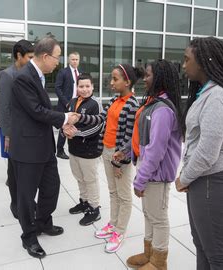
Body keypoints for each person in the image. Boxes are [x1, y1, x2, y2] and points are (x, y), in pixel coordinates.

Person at [175, 37, 223, 270]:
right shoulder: (207, 93)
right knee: (203, 246)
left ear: (205, 62)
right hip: (205, 182)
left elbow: (208, 152)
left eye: (187, 60)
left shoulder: (218, 96)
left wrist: (183, 178)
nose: (184, 65)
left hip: (213, 183)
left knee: (217, 254)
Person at [9, 37, 78, 259]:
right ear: (46, 56)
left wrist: (62, 124)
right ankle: (28, 237)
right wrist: (66, 117)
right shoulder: (23, 78)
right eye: (57, 57)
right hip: (28, 149)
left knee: (52, 188)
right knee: (27, 197)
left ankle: (43, 222)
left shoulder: (37, 76)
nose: (58, 63)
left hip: (44, 146)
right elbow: (36, 111)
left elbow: (41, 112)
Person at [114, 59, 183, 269]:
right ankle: (149, 253)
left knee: (158, 217)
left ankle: (159, 261)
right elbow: (140, 135)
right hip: (148, 168)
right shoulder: (152, 103)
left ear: (160, 78)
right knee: (149, 214)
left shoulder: (162, 109)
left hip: (156, 173)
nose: (145, 79)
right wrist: (126, 149)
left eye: (149, 75)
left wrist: (140, 179)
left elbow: (156, 150)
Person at [73, 63, 143, 253]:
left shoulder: (132, 104)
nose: (111, 83)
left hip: (119, 156)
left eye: (115, 79)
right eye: (111, 78)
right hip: (106, 150)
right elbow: (99, 119)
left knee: (124, 195)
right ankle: (112, 224)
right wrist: (78, 117)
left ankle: (120, 231)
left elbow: (129, 138)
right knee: (112, 192)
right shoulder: (113, 100)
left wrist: (119, 162)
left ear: (127, 82)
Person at [0, 39, 34, 219]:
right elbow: (3, 109)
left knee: (25, 171)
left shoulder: (30, 73)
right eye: (29, 57)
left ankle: (27, 202)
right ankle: (15, 204)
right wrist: (8, 135)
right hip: (13, 132)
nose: (32, 60)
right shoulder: (7, 75)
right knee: (14, 171)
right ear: (18, 56)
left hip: (28, 132)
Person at [66, 73, 104, 226]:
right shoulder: (73, 101)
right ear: (77, 87)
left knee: (90, 180)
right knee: (79, 178)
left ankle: (94, 209)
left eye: (87, 86)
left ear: (93, 87)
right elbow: (66, 119)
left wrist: (76, 133)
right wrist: (64, 130)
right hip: (74, 149)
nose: (84, 89)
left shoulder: (95, 103)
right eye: (81, 86)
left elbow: (98, 126)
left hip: (89, 150)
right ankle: (84, 202)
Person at [55, 51, 81, 159]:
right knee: (63, 128)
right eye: (73, 59)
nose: (75, 61)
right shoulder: (63, 72)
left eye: (76, 59)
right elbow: (57, 88)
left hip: (77, 104)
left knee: (75, 127)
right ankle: (60, 151)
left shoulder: (80, 73)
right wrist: (66, 102)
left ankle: (74, 149)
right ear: (69, 60)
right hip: (65, 105)